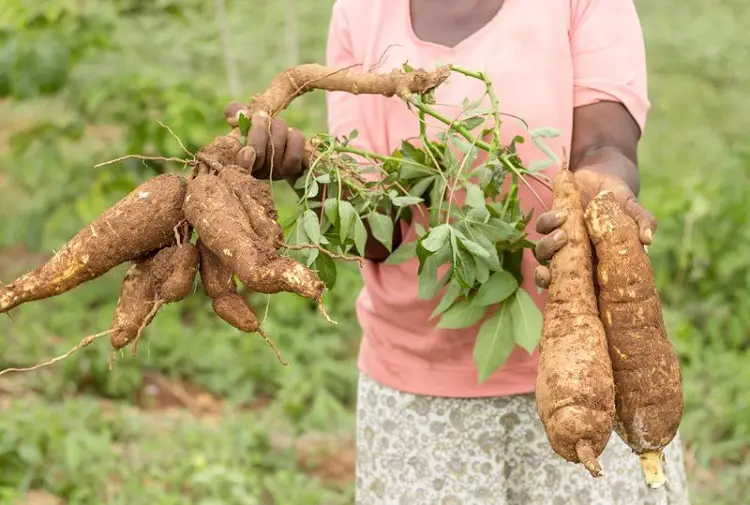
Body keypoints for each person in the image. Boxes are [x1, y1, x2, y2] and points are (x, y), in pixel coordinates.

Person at [225, 1, 690, 503]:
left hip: (591, 375)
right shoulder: (360, 11)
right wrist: (304, 171)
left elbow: (606, 146)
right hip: (417, 392)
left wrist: (605, 190)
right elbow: (379, 233)